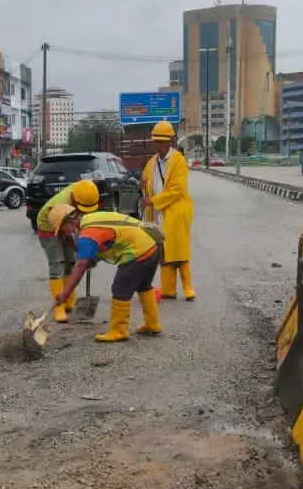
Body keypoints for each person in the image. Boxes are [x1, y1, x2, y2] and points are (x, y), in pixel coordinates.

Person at [49, 203, 162, 342]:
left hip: (138, 253)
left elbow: (81, 264)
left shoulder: (87, 234)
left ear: (69, 221)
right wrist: (71, 243)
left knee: (120, 289)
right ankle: (152, 324)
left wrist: (65, 294)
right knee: (144, 286)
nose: (62, 233)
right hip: (151, 248)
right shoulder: (90, 220)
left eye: (61, 229)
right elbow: (87, 253)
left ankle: (119, 331)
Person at [140, 120, 195, 301]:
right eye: (157, 141)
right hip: (157, 212)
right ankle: (168, 289)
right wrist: (143, 187)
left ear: (170, 141)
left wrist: (154, 200)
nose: (159, 145)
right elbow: (147, 183)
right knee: (162, 250)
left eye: (163, 141)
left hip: (176, 211)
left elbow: (177, 190)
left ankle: (188, 287)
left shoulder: (178, 160)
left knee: (179, 249)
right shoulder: (151, 163)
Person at [35, 178, 100, 323]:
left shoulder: (84, 189)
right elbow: (66, 234)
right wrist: (80, 249)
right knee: (58, 264)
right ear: (74, 200)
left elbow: (79, 225)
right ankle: (59, 307)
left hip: (65, 222)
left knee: (71, 262)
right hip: (49, 227)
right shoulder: (59, 206)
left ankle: (70, 300)